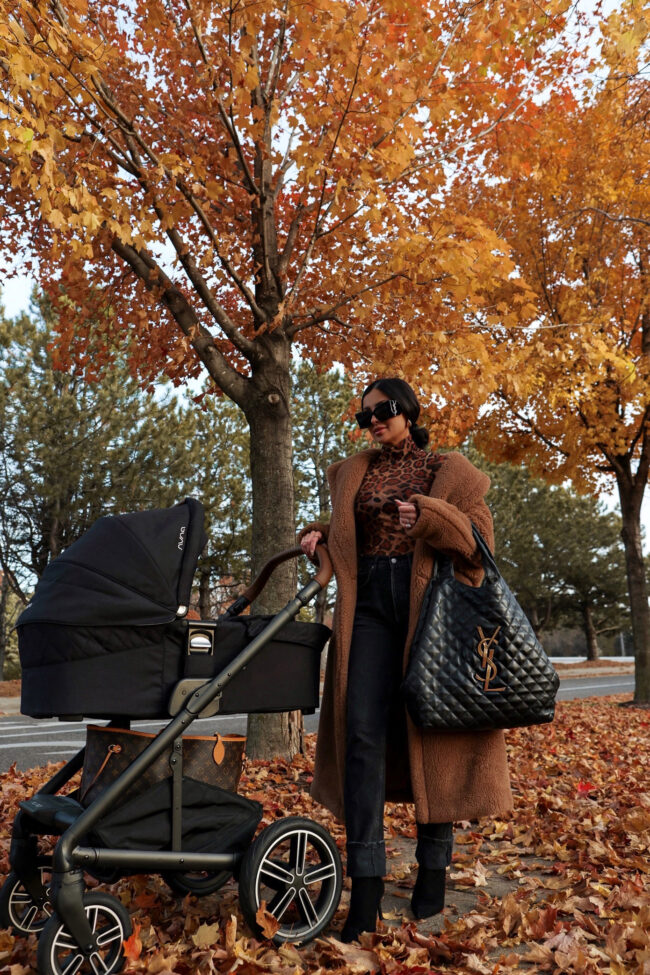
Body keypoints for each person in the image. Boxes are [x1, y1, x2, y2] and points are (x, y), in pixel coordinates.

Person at [299, 377, 513, 942]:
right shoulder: (354, 470)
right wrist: (317, 536)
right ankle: (365, 887)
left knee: (431, 727)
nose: (373, 420)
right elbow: (350, 536)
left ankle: (434, 869)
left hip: (431, 609)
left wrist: (430, 519)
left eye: (384, 410)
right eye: (364, 413)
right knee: (361, 734)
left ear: (409, 410)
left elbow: (477, 543)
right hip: (368, 605)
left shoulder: (449, 470)